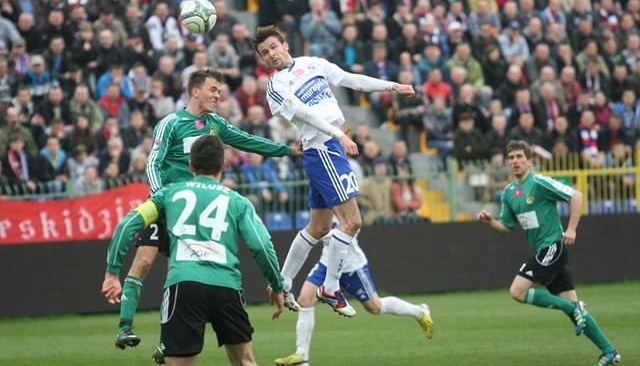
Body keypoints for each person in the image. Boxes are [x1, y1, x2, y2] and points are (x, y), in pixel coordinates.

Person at [105, 69, 301, 355]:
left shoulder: (215, 124)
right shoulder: (171, 123)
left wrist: (285, 150)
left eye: (219, 91)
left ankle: (165, 342)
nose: (218, 95)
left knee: (179, 271)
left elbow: (247, 140)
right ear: (195, 91)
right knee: (144, 262)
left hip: (193, 213)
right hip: (166, 204)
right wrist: (160, 198)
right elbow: (153, 163)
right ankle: (125, 327)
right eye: (213, 90)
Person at [252, 26, 415, 317]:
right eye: (265, 53)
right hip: (323, 148)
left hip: (327, 147)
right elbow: (304, 113)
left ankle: (283, 282)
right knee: (351, 222)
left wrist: (392, 86)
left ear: (285, 44)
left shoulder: (312, 63)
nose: (271, 55)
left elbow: (351, 80)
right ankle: (330, 286)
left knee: (319, 228)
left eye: (274, 47)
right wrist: (338, 134)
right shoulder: (276, 86)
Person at [102, 135, 285, 366]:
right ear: (223, 165)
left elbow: (126, 226)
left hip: (183, 286)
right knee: (245, 361)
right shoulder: (238, 202)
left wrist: (112, 273)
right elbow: (261, 245)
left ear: (190, 165)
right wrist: (276, 285)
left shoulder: (168, 194)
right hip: (226, 286)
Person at [476, 140, 621, 366]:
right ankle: (609, 351)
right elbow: (506, 228)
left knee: (517, 291)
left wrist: (571, 228)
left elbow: (577, 196)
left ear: (529, 160)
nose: (514, 161)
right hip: (546, 252)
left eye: (519, 157)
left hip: (553, 246)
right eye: (511, 158)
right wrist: (489, 221)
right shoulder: (508, 193)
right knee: (574, 314)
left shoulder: (540, 182)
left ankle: (574, 308)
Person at [273, 220, 433, 366]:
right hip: (326, 264)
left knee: (375, 307)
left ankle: (419, 311)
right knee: (305, 300)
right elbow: (316, 224)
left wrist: (317, 235)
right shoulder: (322, 199)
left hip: (351, 267)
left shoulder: (343, 198)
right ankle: (301, 355)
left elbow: (353, 227)